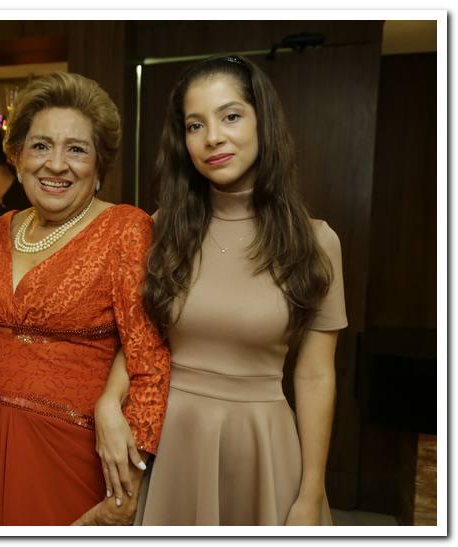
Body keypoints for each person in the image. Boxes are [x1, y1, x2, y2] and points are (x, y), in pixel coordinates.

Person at [97, 55, 347, 525]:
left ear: (263, 122)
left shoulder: (315, 242)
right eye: (195, 125)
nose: (212, 137)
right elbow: (139, 340)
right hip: (172, 444)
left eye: (230, 116)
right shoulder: (161, 230)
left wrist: (312, 490)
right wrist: (109, 401)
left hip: (263, 446)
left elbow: (316, 376)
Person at [0, 72, 170, 526]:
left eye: (76, 149)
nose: (56, 164)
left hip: (69, 455)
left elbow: (150, 360)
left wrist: (128, 489)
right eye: (41, 146)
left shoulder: (125, 229)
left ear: (98, 165)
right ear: (18, 156)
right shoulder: (2, 228)